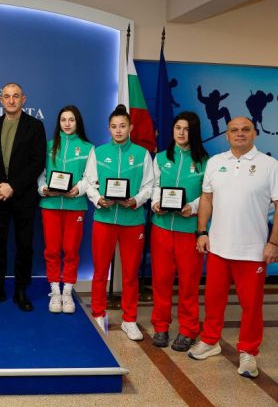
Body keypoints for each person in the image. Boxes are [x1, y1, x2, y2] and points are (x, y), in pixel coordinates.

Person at [188, 116, 278, 378]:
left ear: (254, 133)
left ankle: (248, 351)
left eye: (245, 130)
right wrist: (202, 232)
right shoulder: (216, 163)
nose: (240, 134)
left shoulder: (270, 165)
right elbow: (206, 199)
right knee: (213, 300)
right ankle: (210, 341)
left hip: (253, 251)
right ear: (227, 135)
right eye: (234, 130)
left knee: (252, 305)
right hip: (218, 247)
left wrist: (274, 242)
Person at [85, 104, 154, 340]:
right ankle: (98, 313)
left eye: (122, 126)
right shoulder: (98, 152)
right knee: (100, 270)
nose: (118, 130)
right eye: (114, 126)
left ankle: (129, 319)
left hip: (132, 220)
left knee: (130, 273)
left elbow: (149, 186)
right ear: (109, 128)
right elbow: (89, 182)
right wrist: (98, 199)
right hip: (104, 219)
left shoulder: (142, 154)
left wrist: (135, 200)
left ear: (130, 127)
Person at [0, 83, 46, 311]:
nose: (11, 100)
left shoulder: (35, 126)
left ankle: (21, 291)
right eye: (7, 96)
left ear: (23, 99)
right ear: (0, 99)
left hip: (23, 197)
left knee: (24, 246)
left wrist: (13, 186)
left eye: (15, 96)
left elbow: (37, 162)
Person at [150, 112, 209, 350]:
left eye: (186, 129)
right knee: (161, 280)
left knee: (189, 283)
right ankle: (161, 326)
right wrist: (156, 203)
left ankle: (188, 329)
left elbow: (208, 195)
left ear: (193, 132)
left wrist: (192, 207)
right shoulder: (161, 157)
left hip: (189, 230)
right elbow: (154, 185)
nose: (181, 133)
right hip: (162, 228)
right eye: (177, 128)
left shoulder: (206, 162)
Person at [37, 105, 93, 314]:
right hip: (50, 205)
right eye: (63, 120)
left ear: (78, 122)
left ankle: (67, 291)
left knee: (71, 250)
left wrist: (78, 190)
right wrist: (44, 189)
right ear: (58, 123)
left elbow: (90, 177)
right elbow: (41, 174)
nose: (67, 124)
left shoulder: (88, 148)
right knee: (52, 250)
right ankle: (55, 290)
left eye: (71, 120)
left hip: (75, 206)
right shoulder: (49, 146)